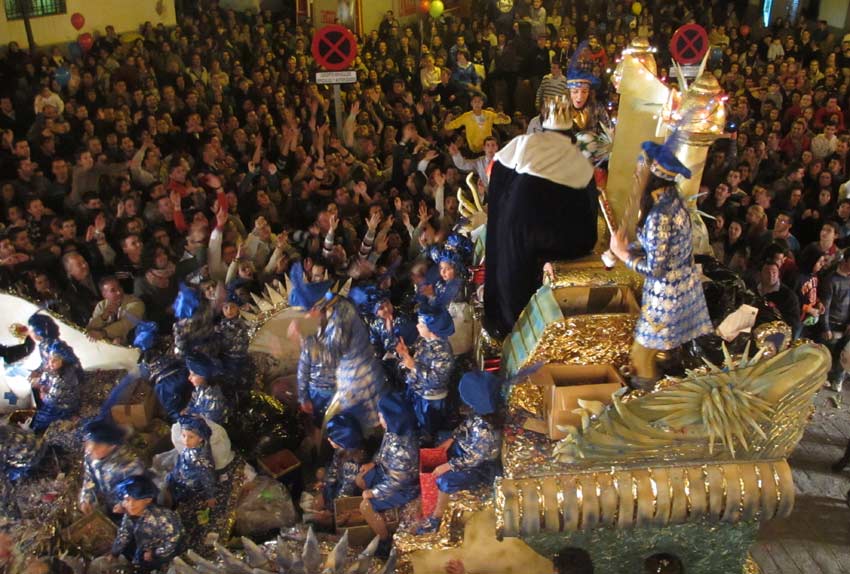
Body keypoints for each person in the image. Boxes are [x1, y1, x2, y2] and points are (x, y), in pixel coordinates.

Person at [484, 96, 599, 337]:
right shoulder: (578, 160)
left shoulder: (524, 142)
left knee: (510, 277)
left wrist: (502, 212)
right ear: (570, 132)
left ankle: (503, 327)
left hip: (512, 227)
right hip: (546, 238)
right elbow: (587, 233)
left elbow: (497, 173)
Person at [608, 139, 713, 389]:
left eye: (639, 173)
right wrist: (627, 248)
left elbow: (656, 269)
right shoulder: (671, 199)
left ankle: (645, 407)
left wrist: (623, 255)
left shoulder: (660, 216)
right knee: (664, 349)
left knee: (640, 357)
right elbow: (660, 247)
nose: (636, 178)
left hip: (665, 297)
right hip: (681, 288)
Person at [418, 370, 502, 533]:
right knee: (441, 437)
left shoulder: (486, 431)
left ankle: (437, 516)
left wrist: (448, 466)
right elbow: (466, 425)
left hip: (480, 467)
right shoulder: (479, 414)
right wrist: (451, 439)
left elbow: (473, 459)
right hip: (466, 450)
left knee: (445, 480)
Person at [356, 393, 419, 557]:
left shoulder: (403, 450)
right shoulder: (393, 431)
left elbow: (397, 481)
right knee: (360, 478)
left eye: (382, 415)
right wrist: (374, 463)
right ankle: (379, 507)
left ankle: (385, 540)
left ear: (391, 418)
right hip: (386, 474)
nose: (379, 417)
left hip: (403, 489)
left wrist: (374, 492)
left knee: (365, 506)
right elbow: (382, 452)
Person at [397, 308, 455, 441]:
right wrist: (406, 353)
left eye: (421, 325)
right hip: (418, 391)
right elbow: (418, 355)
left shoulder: (443, 352)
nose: (417, 326)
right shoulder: (423, 341)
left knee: (429, 426)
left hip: (431, 400)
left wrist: (413, 366)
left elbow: (436, 380)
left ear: (432, 329)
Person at [109, 475, 184, 572]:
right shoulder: (129, 516)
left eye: (136, 501)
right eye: (127, 500)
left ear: (147, 500)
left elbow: (173, 540)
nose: (131, 505)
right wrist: (114, 553)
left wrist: (155, 554)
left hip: (165, 553)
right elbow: (124, 534)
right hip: (144, 548)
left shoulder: (163, 518)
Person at [78, 419, 146, 516]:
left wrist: (123, 506)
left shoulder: (130, 466)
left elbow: (139, 494)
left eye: (97, 446)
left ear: (112, 446)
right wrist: (86, 498)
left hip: (130, 511)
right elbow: (89, 478)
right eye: (89, 444)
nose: (89, 450)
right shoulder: (91, 457)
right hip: (109, 505)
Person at [165, 415, 216, 511]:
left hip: (191, 484)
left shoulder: (201, 458)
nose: (186, 440)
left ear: (201, 438)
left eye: (191, 437)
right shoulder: (189, 447)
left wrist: (210, 496)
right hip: (182, 475)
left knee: (182, 498)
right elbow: (181, 460)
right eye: (184, 436)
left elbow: (207, 476)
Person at [30, 340, 81, 433]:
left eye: (55, 359)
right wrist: (40, 382)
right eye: (50, 358)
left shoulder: (65, 377)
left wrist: (43, 394)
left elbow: (52, 400)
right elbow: (44, 378)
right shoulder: (53, 368)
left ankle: (69, 416)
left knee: (38, 422)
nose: (51, 362)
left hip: (63, 405)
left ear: (64, 361)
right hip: (52, 397)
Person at [86, 276, 146, 344]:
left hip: (134, 343)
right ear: (104, 294)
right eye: (113, 290)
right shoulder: (101, 305)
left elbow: (125, 324)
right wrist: (103, 316)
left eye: (119, 287)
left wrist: (103, 333)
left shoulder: (136, 303)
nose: (119, 292)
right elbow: (90, 328)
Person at [181, 354, 228, 424]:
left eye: (193, 374)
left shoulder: (213, 401)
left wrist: (191, 416)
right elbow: (193, 400)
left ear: (204, 375)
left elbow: (209, 424)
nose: (189, 378)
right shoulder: (200, 388)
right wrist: (188, 410)